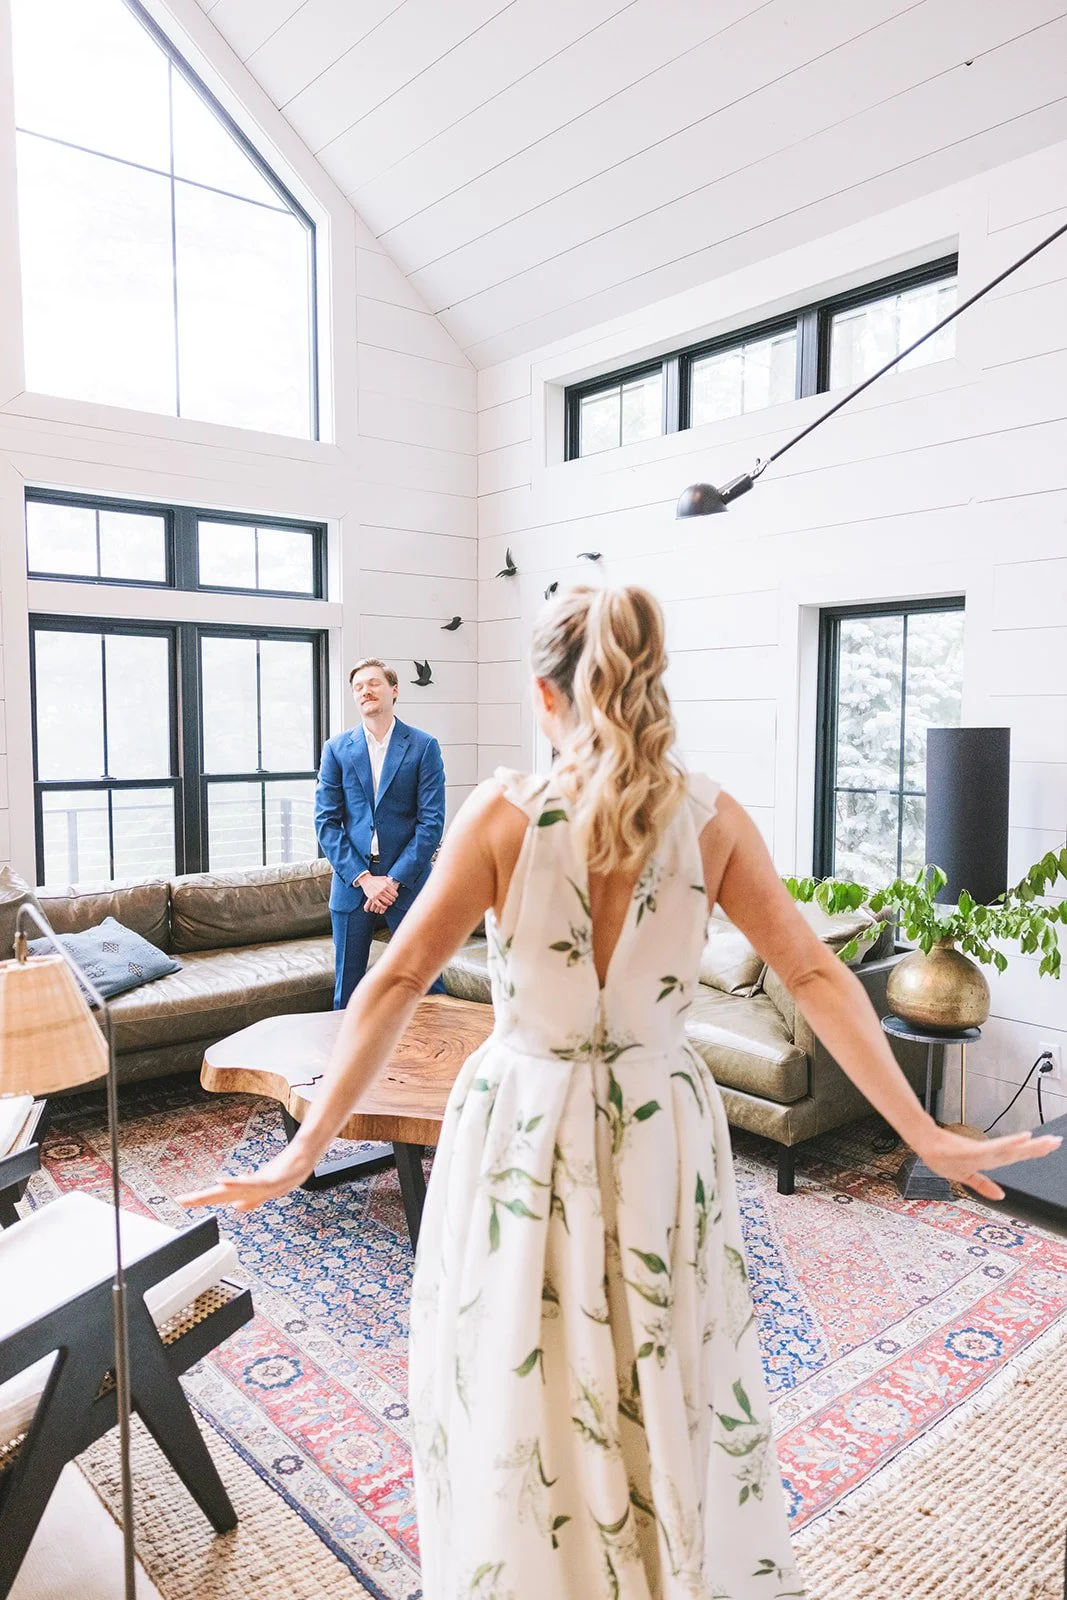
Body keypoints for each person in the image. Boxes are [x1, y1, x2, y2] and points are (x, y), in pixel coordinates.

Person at [185, 587, 1059, 1599]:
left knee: (523, 1359)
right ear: (650, 686)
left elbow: (390, 980)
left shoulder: (504, 815)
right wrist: (923, 1130)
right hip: (661, 1126)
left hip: (522, 1122)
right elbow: (818, 977)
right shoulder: (711, 817)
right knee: (661, 1357)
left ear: (542, 693)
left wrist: (301, 1151)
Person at [314, 656, 446, 1008]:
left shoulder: (423, 746)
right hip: (352, 884)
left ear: (394, 690)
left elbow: (431, 823)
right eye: (358, 687)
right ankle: (346, 1064)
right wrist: (364, 878)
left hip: (408, 880)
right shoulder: (336, 750)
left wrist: (393, 880)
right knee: (349, 993)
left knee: (428, 984)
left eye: (373, 683)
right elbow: (326, 823)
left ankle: (440, 1061)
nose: (365, 691)